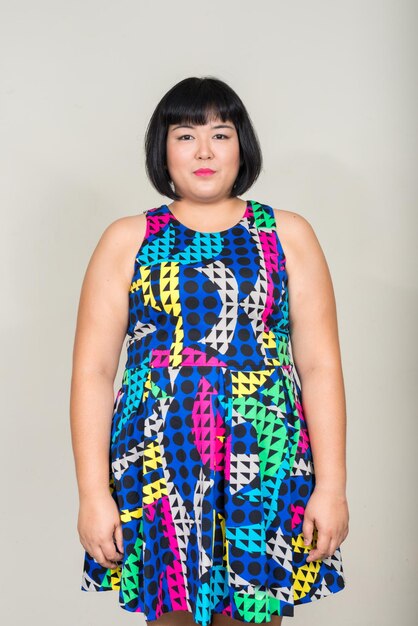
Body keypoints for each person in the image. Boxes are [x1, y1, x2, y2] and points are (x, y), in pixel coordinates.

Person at [70, 76, 349, 626]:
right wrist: (91, 493)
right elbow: (94, 372)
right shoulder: (128, 239)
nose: (203, 151)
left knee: (254, 617)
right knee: (170, 616)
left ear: (241, 145)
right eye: (185, 135)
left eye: (220, 134)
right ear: (162, 149)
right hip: (158, 468)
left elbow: (320, 367)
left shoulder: (287, 235)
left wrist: (333, 487)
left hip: (265, 459)